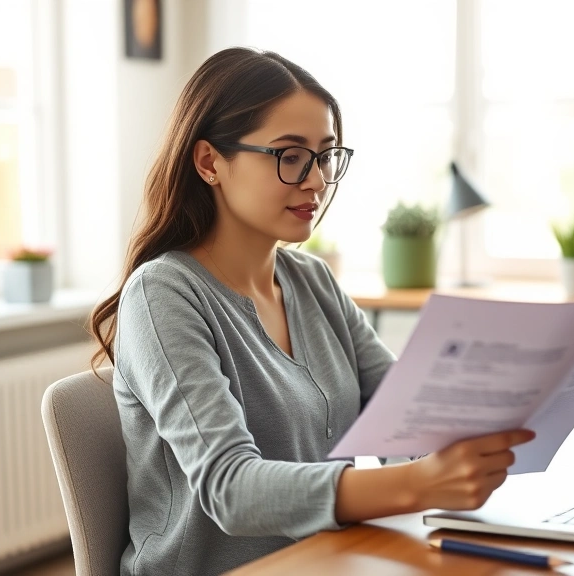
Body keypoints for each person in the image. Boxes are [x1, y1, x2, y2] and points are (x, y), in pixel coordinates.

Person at [89, 47, 534, 576]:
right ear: (210, 162)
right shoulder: (163, 295)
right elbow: (230, 489)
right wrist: (417, 483)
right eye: (290, 155)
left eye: (324, 156)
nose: (317, 181)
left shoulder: (313, 280)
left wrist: (463, 431)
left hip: (326, 560)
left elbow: (402, 412)